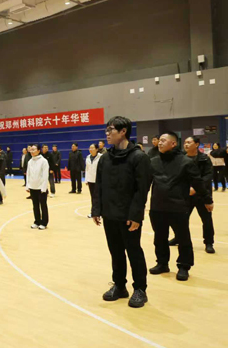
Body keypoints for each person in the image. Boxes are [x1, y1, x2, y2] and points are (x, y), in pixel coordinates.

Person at [92, 116, 151, 308]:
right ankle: (119, 285)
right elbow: (99, 186)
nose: (107, 134)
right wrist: (96, 209)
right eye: (106, 130)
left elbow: (141, 190)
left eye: (111, 129)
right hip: (110, 214)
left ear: (123, 131)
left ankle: (140, 289)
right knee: (115, 252)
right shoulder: (105, 158)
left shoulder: (138, 157)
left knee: (134, 252)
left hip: (128, 216)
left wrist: (136, 216)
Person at [149, 132, 213, 282]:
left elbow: (198, 182)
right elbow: (144, 184)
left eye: (163, 140)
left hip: (178, 206)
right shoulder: (153, 161)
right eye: (159, 140)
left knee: (183, 238)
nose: (159, 143)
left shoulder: (185, 162)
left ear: (173, 143)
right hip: (157, 207)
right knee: (159, 237)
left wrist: (207, 200)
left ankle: (184, 266)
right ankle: (162, 263)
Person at [168, 136, 216, 254]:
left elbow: (207, 176)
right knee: (181, 219)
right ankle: (178, 237)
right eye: (185, 142)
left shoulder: (204, 158)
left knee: (206, 220)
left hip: (202, 194)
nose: (186, 144)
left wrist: (196, 188)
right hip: (185, 195)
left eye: (189, 142)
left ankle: (209, 243)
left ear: (197, 144)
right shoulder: (181, 158)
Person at [26, 144, 50, 230]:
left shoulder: (44, 161)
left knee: (43, 205)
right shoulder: (30, 161)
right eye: (31, 150)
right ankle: (37, 221)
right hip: (33, 187)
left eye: (34, 149)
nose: (32, 151)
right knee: (35, 205)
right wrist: (27, 185)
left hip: (41, 188)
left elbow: (45, 175)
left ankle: (44, 222)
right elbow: (28, 174)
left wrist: (44, 188)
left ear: (39, 151)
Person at [85, 143, 102, 218]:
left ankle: (100, 212)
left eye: (92, 148)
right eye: (90, 148)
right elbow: (87, 169)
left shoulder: (101, 157)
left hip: (99, 181)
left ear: (97, 149)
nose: (90, 149)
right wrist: (86, 179)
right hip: (90, 180)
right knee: (93, 197)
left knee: (99, 197)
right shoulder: (88, 157)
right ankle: (93, 212)